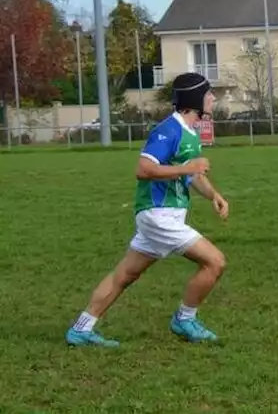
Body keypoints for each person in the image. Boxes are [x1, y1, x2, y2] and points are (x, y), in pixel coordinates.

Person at [65, 73, 229, 347]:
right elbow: (144, 169)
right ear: (193, 99)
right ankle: (184, 319)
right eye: (208, 93)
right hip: (158, 214)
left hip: (162, 216)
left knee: (125, 275)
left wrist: (214, 195)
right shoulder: (169, 130)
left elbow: (191, 176)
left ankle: (81, 328)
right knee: (215, 262)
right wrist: (189, 167)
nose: (213, 98)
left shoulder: (189, 132)